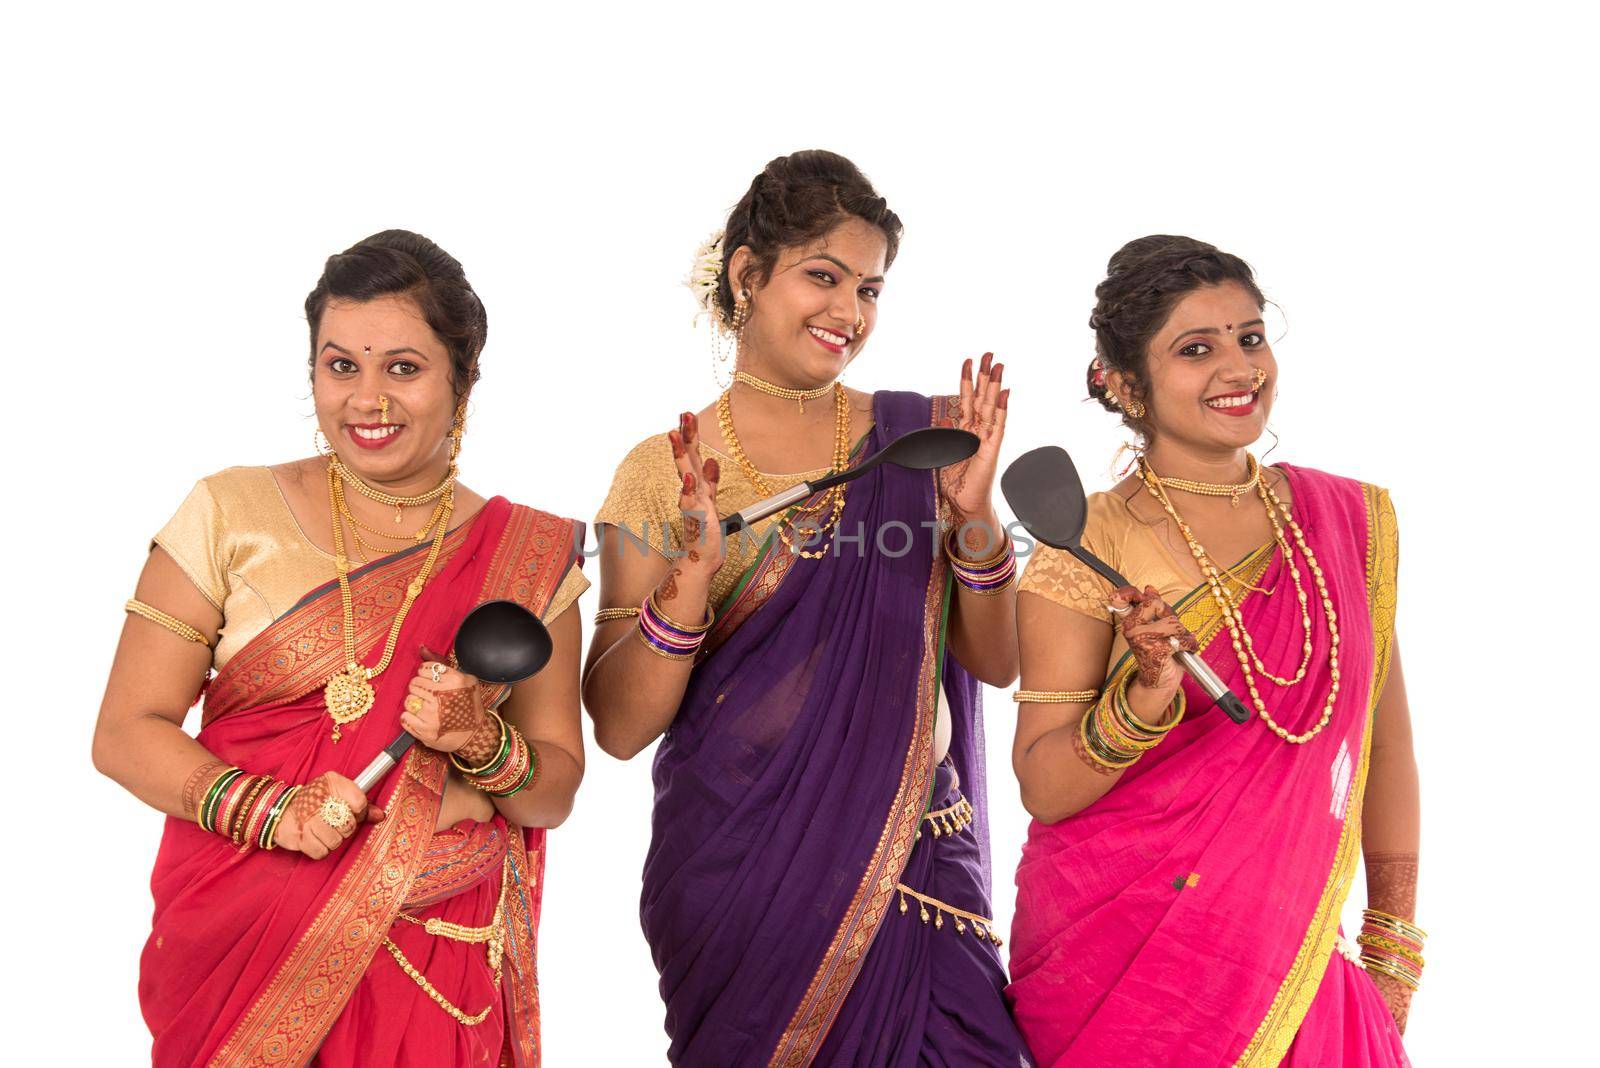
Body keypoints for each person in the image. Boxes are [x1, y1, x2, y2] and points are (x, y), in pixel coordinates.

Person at [92, 230, 587, 1067]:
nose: (367, 400)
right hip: (240, 937)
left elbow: (553, 791)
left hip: (437, 951)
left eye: (403, 367)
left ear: (463, 378)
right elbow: (125, 731)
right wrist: (269, 811)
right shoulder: (229, 512)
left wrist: (482, 739)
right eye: (340, 366)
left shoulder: (528, 556)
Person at [583, 150, 1033, 1066]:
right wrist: (690, 582)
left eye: (869, 289)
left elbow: (997, 661)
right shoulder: (655, 472)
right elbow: (621, 728)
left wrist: (973, 515)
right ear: (747, 274)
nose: (848, 313)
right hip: (740, 882)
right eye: (822, 277)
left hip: (912, 868)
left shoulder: (921, 443)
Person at [1005, 236, 1421, 1065]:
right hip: (1123, 965)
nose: (1239, 368)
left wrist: (1393, 943)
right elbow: (1044, 790)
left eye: (1250, 337)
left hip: (1297, 956)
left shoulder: (1342, 523)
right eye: (1196, 350)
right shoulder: (1087, 541)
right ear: (1122, 383)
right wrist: (1141, 700)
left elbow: (1385, 745)